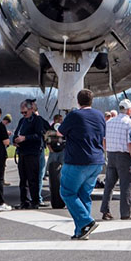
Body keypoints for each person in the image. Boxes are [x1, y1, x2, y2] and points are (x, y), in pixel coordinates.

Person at [58, 89, 105, 239]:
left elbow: (60, 133)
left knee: (67, 192)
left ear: (78, 101)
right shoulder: (99, 115)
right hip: (96, 161)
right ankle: (81, 231)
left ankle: (86, 221)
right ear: (92, 101)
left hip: (77, 160)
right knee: (84, 194)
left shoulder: (75, 115)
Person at [100, 99, 131, 221]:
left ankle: (105, 210)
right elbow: (130, 143)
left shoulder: (109, 122)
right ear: (128, 110)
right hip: (124, 155)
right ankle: (125, 213)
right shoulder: (129, 123)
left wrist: (107, 150)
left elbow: (104, 140)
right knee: (126, 185)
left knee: (109, 185)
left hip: (111, 154)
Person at [12, 99, 48, 209]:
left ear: (31, 110)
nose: (23, 114)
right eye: (22, 113)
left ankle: (35, 201)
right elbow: (16, 133)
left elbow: (39, 136)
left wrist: (25, 138)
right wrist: (15, 140)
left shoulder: (37, 120)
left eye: (25, 112)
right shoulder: (22, 121)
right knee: (23, 179)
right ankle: (24, 201)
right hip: (22, 152)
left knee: (33, 178)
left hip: (32, 153)